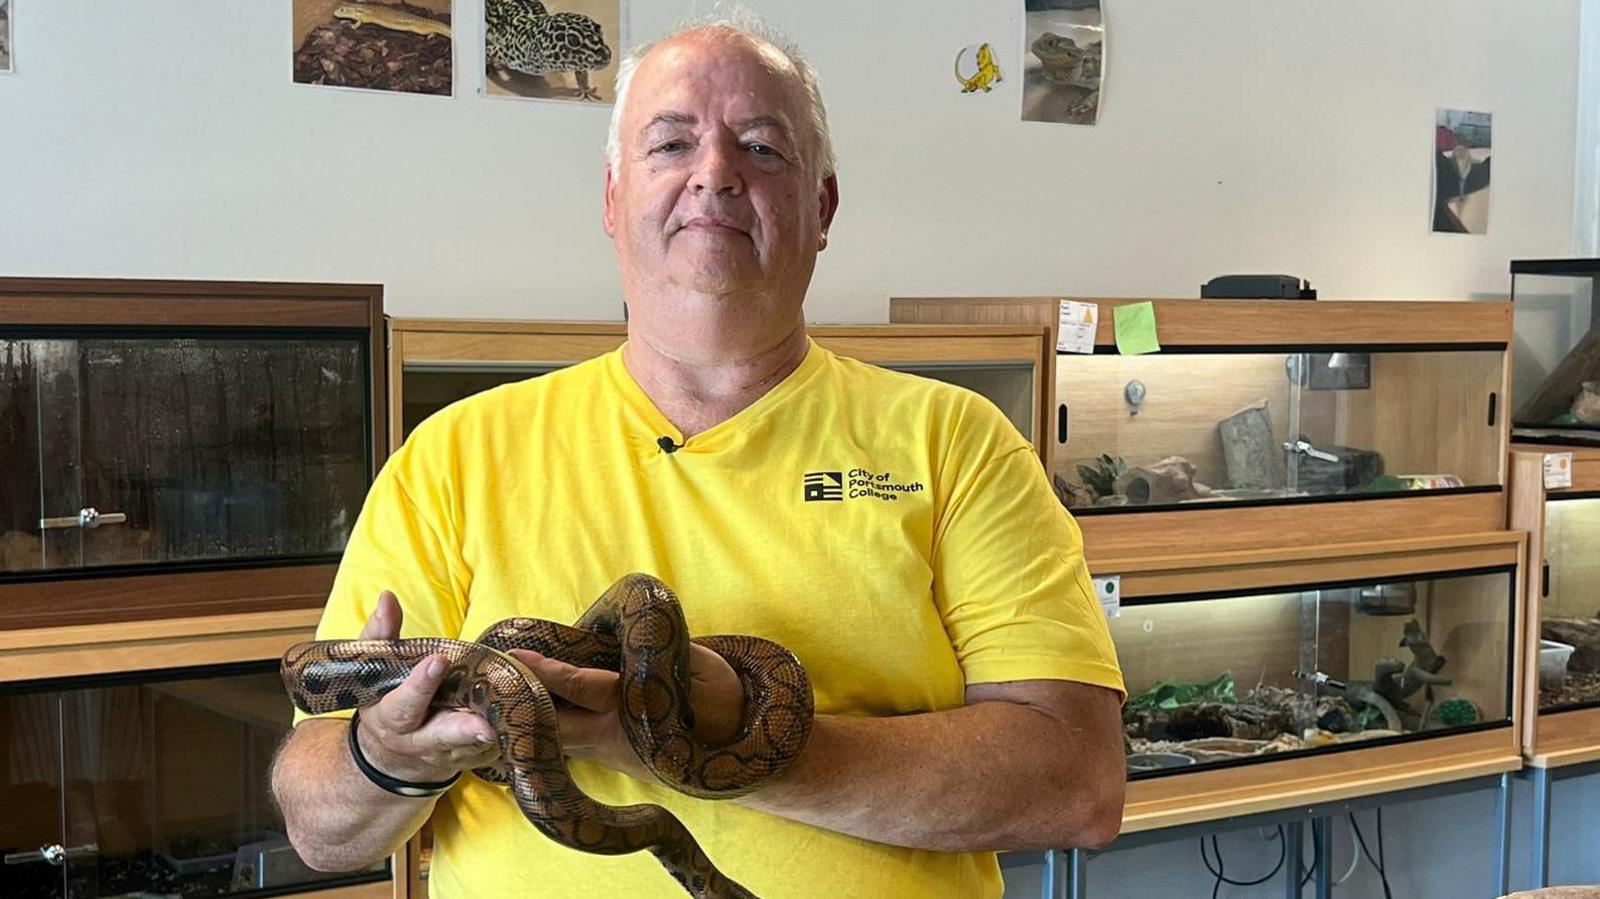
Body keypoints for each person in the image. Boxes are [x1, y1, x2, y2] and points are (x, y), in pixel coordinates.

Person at [271, 12, 1126, 898]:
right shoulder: (453, 455)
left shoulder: (958, 443)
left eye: (761, 147)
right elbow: (319, 827)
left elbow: (1077, 783)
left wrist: (686, 734)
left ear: (822, 207)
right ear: (611, 199)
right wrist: (383, 754)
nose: (713, 174)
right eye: (671, 143)